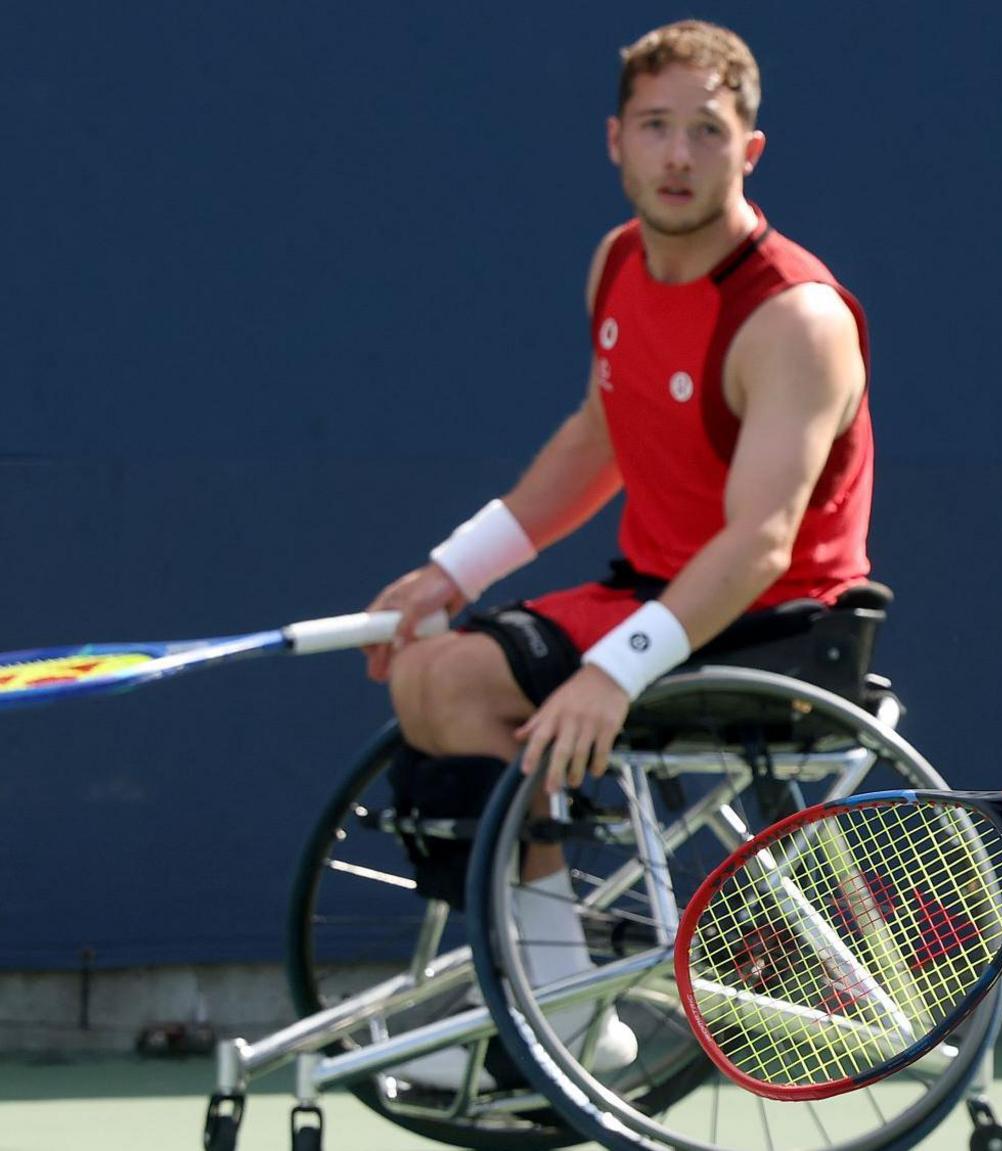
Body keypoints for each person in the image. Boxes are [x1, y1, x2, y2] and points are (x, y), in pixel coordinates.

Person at [361, 19, 873, 1087]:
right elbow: (602, 432)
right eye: (654, 127)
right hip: (650, 589)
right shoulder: (617, 263)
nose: (678, 155)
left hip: (774, 620)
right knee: (428, 681)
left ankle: (546, 1018)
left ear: (751, 149)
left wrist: (612, 670)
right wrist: (454, 568)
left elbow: (762, 539)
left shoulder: (793, 317)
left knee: (450, 689)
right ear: (615, 141)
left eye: (705, 129)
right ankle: (551, 1008)